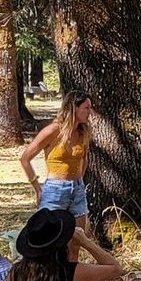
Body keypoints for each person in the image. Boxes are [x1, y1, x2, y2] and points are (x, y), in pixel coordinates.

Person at [19, 92, 94, 238]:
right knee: (49, 238)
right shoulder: (53, 130)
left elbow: (84, 159)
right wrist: (37, 188)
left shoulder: (83, 132)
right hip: (55, 190)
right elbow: (25, 159)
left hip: (77, 190)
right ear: (74, 107)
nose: (90, 112)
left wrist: (79, 181)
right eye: (86, 108)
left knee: (77, 240)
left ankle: (70, 262)